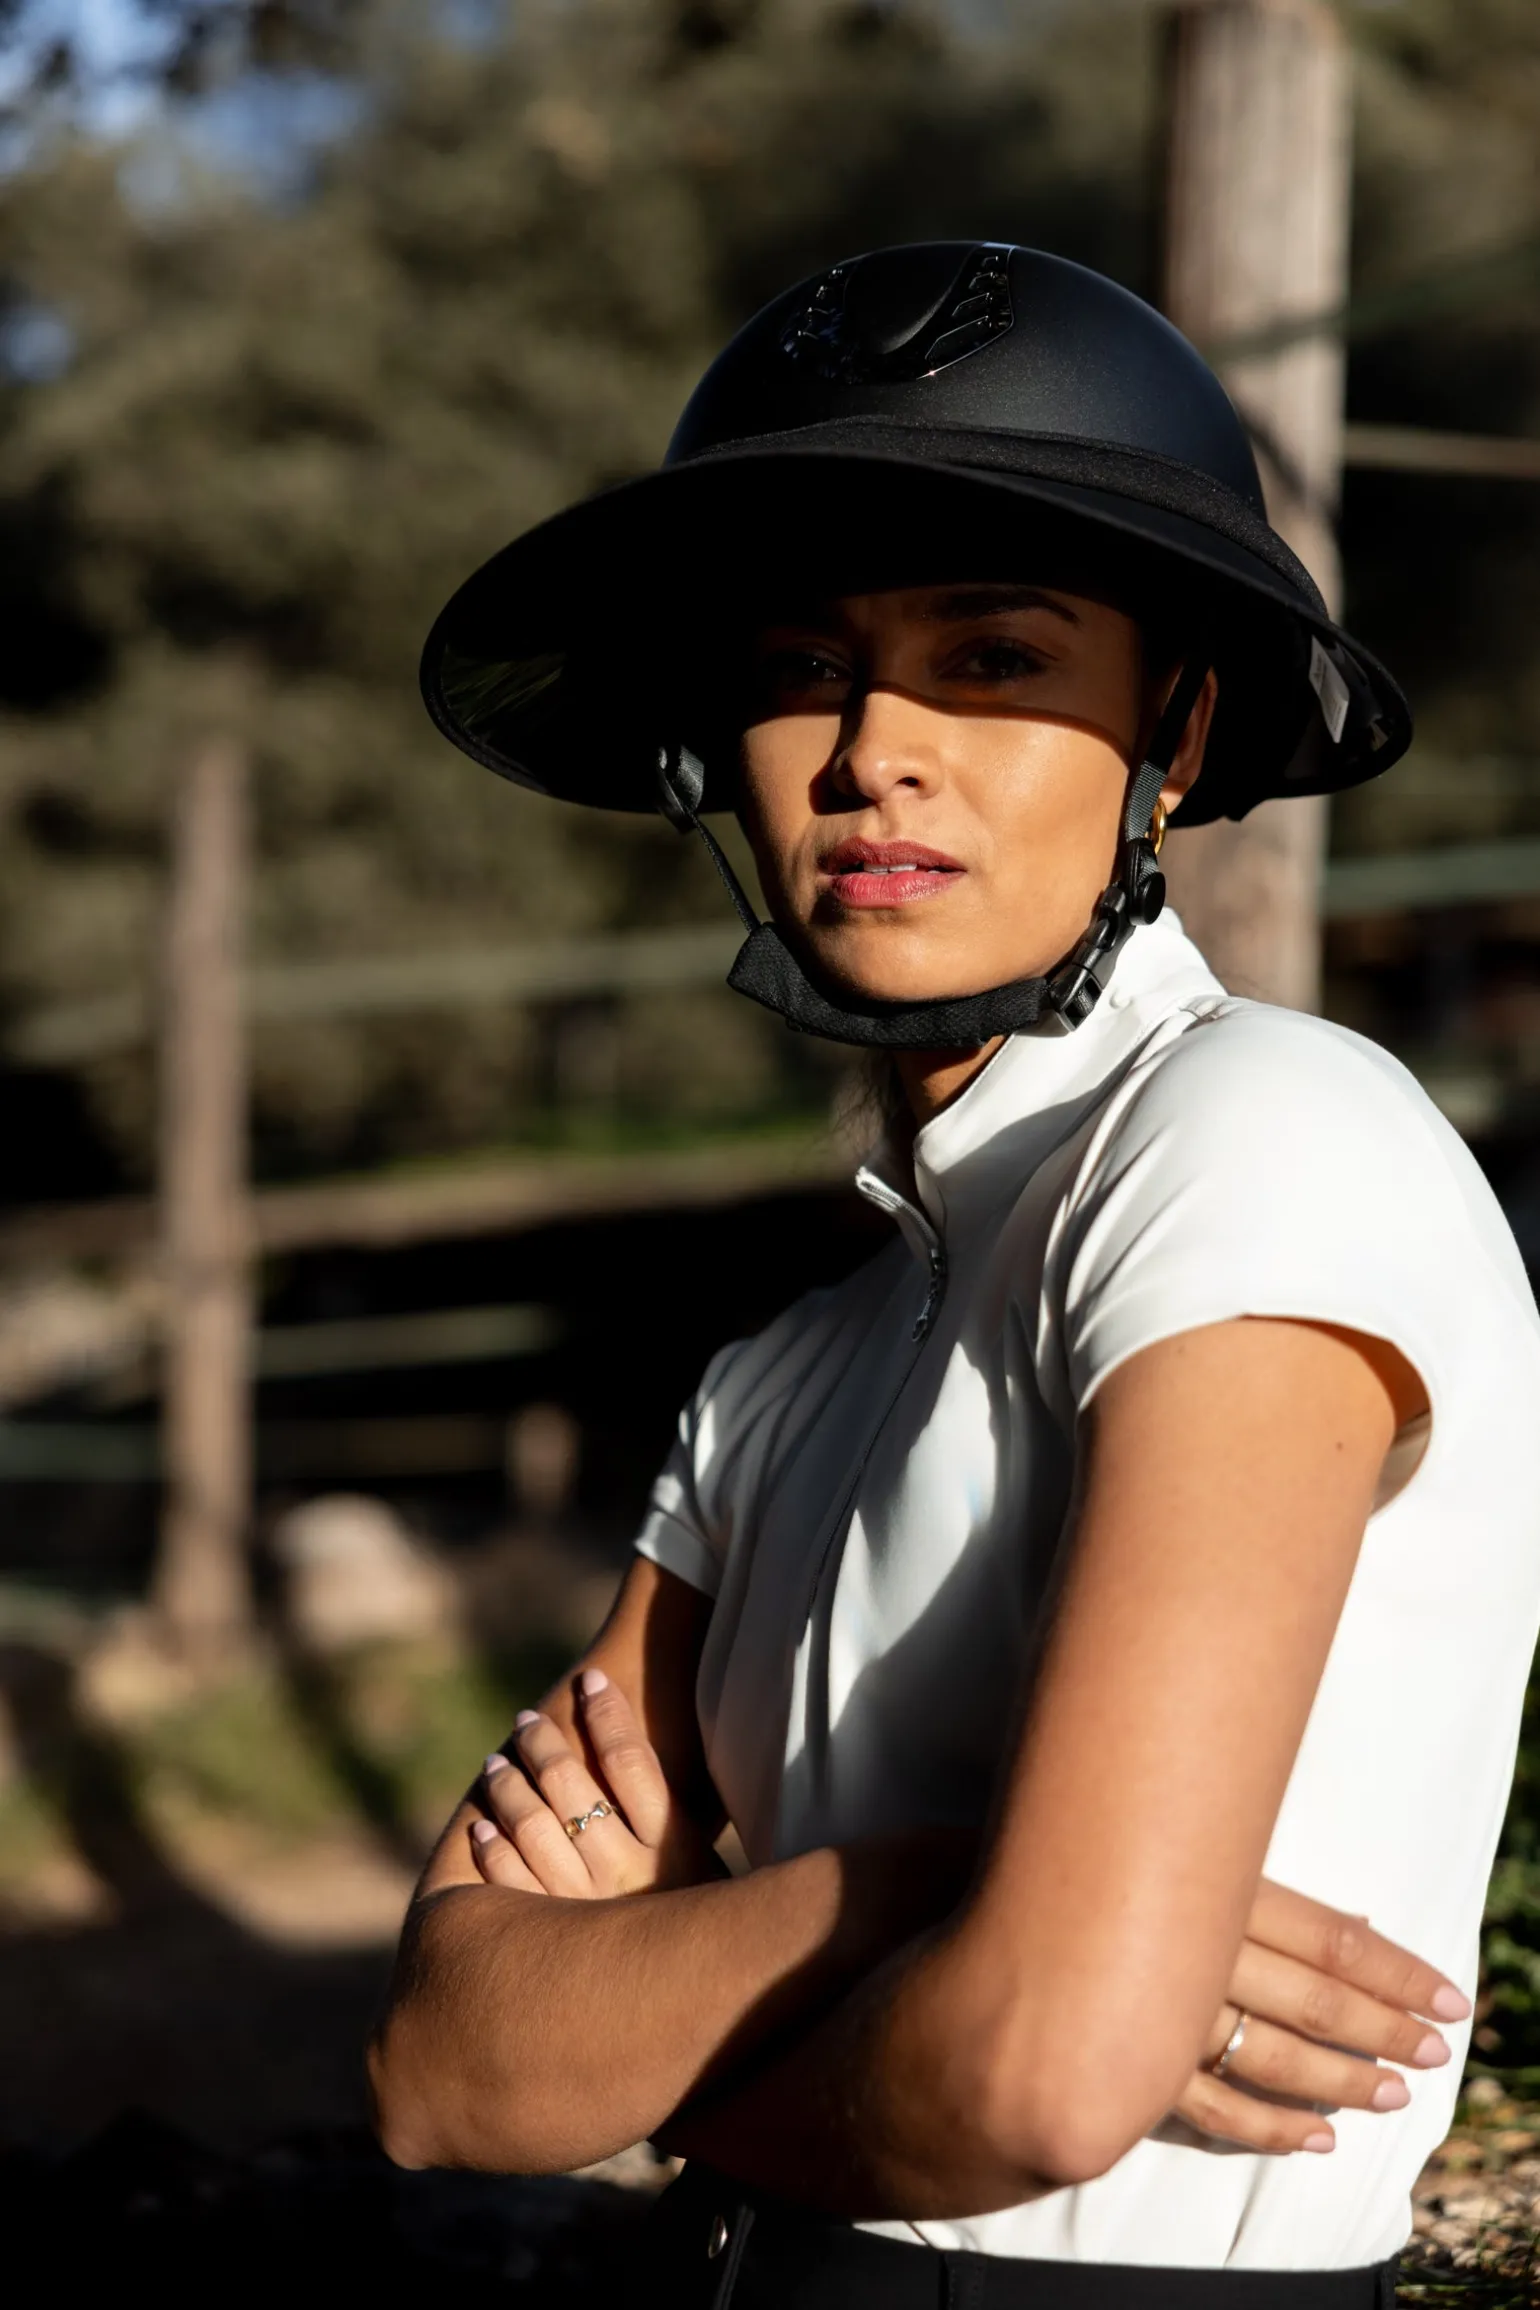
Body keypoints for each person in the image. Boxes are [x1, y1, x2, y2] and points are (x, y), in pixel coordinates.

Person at [370, 245, 1540, 2307]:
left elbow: (1037, 2072)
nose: (871, 751)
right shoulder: (782, 1367)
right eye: (798, 665)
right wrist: (935, 1886)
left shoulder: (1262, 1139)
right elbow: (440, 2068)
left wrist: (672, 2050)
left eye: (993, 657)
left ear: (1174, 724)